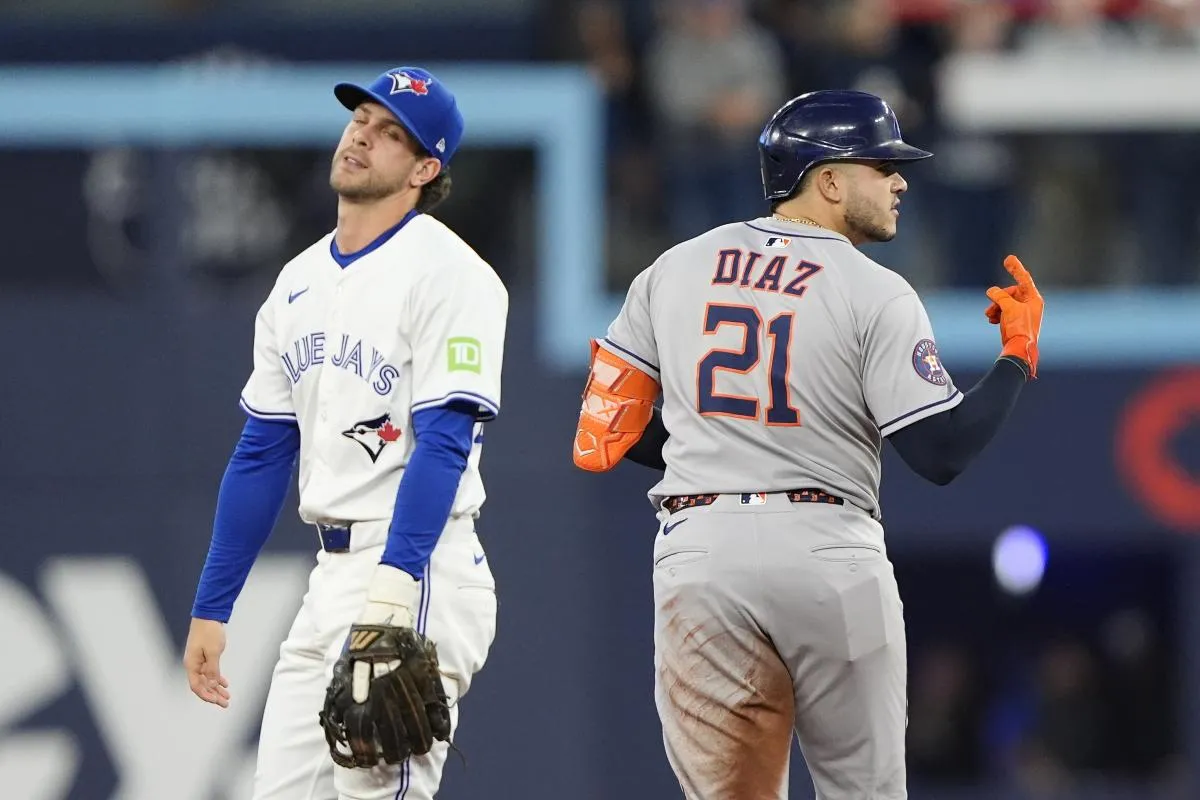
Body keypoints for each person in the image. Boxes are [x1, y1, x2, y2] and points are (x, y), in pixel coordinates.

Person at [572, 90, 1043, 799]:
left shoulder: (673, 268)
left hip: (700, 554)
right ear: (826, 180)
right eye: (881, 165)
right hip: (827, 549)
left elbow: (608, 430)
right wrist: (1015, 360)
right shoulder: (874, 290)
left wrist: (722, 449)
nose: (900, 180)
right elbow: (940, 453)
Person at [183, 66, 508, 800]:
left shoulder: (452, 275)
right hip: (329, 576)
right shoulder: (297, 282)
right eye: (362, 117)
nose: (363, 134)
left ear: (425, 169)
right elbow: (263, 451)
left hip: (417, 566)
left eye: (393, 133)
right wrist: (213, 604)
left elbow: (445, 444)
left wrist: (393, 591)